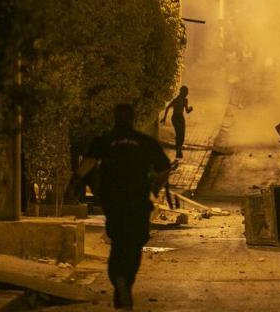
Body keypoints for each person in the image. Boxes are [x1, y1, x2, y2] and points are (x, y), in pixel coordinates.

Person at [74, 104, 171, 310]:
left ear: (115, 118)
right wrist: (156, 186)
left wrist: (75, 184)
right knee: (134, 245)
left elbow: (85, 167)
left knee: (118, 243)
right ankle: (126, 281)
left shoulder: (104, 141)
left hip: (113, 202)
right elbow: (164, 167)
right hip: (138, 202)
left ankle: (119, 280)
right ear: (133, 118)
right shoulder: (145, 142)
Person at [161, 86, 194, 159]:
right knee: (180, 134)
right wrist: (164, 118)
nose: (187, 93)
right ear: (183, 92)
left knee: (180, 134)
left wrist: (190, 109)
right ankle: (178, 150)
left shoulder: (182, 100)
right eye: (186, 92)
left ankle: (178, 150)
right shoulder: (179, 100)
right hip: (177, 118)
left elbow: (186, 111)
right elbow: (168, 107)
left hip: (178, 118)